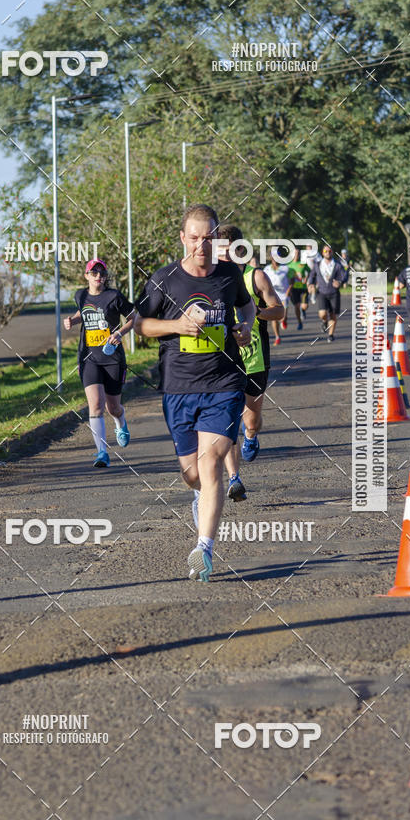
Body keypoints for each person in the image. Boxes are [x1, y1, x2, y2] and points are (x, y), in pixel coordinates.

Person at [134, 204, 256, 582]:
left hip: (224, 383)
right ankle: (201, 499)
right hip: (179, 387)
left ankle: (204, 548)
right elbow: (140, 324)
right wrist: (177, 326)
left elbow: (247, 306)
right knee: (192, 475)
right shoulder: (165, 279)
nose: (201, 245)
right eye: (194, 238)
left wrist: (247, 327)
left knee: (211, 462)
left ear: (217, 238)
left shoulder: (229, 274)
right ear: (183, 239)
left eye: (208, 237)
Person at [216, 224, 284, 502]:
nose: (223, 255)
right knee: (229, 419)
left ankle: (252, 435)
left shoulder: (255, 277)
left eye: (228, 249)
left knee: (251, 418)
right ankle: (234, 479)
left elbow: (279, 311)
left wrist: (258, 312)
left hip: (255, 358)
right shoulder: (209, 278)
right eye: (219, 250)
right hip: (223, 360)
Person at [64, 258, 134, 467]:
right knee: (95, 405)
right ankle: (102, 453)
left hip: (113, 359)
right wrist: (72, 320)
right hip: (89, 358)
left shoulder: (114, 296)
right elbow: (83, 312)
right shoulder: (80, 295)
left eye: (102, 273)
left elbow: (133, 317)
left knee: (113, 407)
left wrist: (120, 333)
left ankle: (120, 422)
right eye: (93, 273)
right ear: (86, 275)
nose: (98, 276)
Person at [307, 243, 346, 341]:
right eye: (325, 251)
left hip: (334, 293)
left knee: (333, 315)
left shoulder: (337, 265)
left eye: (329, 251)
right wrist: (311, 283)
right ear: (322, 253)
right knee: (322, 314)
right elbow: (312, 275)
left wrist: (339, 282)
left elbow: (344, 276)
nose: (328, 253)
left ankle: (331, 335)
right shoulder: (318, 264)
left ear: (332, 252)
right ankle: (324, 322)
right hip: (322, 292)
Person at [262, 248, 294, 344]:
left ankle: (284, 320)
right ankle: (277, 337)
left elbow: (292, 281)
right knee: (274, 316)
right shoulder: (266, 269)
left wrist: (288, 291)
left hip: (284, 295)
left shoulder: (286, 268)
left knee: (283, 316)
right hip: (272, 296)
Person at [289, 248, 310, 330]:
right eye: (295, 253)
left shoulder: (303, 263)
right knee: (297, 306)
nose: (297, 255)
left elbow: (310, 271)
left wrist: (306, 278)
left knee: (304, 306)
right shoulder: (289, 265)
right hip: (294, 289)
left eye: (298, 253)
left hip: (303, 288)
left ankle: (303, 310)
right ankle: (299, 322)